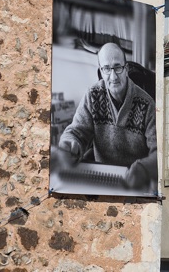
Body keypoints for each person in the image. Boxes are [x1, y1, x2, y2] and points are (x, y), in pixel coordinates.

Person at [58, 42, 157, 190]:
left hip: (134, 183)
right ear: (101, 71)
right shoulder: (92, 94)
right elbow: (76, 132)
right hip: (102, 177)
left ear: (126, 69)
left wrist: (143, 168)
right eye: (106, 69)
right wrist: (69, 142)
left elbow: (159, 153)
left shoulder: (147, 104)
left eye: (118, 67)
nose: (113, 76)